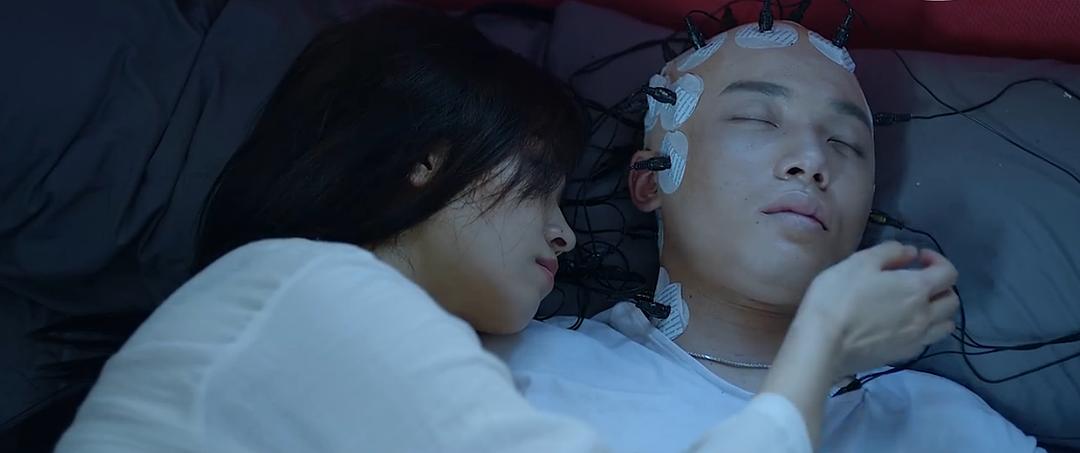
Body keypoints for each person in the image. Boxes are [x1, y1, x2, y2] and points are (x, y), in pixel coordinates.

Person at [54, 8, 956, 453]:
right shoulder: (308, 292)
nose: (567, 236)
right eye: (542, 189)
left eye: (846, 142)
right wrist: (822, 340)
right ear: (430, 162)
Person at [483, 20, 1045, 453]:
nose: (812, 159)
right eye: (757, 119)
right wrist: (820, 351)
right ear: (651, 180)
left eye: (845, 143)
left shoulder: (950, 427)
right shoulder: (514, 370)